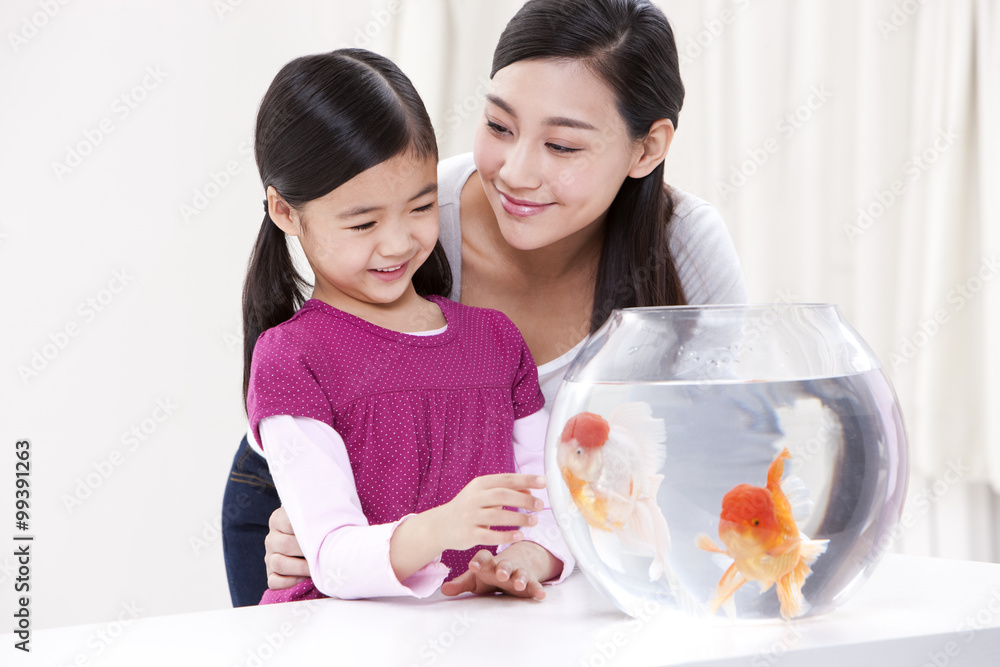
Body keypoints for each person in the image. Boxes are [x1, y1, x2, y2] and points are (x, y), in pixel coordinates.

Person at [224, 0, 748, 605]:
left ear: (647, 148)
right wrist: (331, 540)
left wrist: (538, 551)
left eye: (563, 146)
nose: (517, 173)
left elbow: (714, 455)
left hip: (509, 553)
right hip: (306, 516)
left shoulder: (684, 249)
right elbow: (333, 521)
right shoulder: (422, 214)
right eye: (499, 126)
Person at [237, 47, 573, 605]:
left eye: (419, 209)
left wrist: (520, 561)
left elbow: (553, 504)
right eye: (364, 221)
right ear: (286, 213)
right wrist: (442, 528)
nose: (397, 243)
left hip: (479, 635)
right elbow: (330, 558)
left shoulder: (495, 339)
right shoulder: (292, 359)